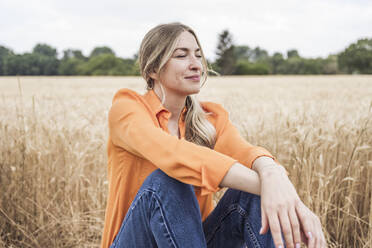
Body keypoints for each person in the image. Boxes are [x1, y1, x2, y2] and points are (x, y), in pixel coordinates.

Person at [100, 22, 326, 248]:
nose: (196, 64)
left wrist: (272, 174)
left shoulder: (210, 118)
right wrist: (272, 189)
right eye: (182, 55)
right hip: (135, 242)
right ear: (153, 70)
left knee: (251, 195)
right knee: (168, 180)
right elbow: (173, 154)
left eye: (198, 56)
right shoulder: (127, 109)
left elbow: (246, 152)